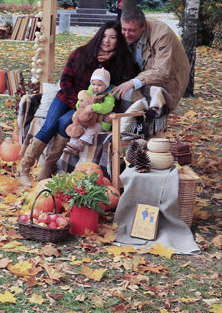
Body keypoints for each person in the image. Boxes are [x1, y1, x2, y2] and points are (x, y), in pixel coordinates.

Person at [19, 20, 135, 188]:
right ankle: (23, 169)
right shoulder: (81, 53)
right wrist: (77, 102)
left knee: (65, 122)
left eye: (112, 37)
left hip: (88, 107)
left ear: (119, 40)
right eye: (104, 36)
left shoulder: (118, 63)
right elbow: (65, 80)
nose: (107, 41)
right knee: (49, 125)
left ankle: (49, 166)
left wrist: (112, 111)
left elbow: (113, 92)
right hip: (67, 97)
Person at [111, 8, 190, 112]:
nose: (126, 34)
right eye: (124, 29)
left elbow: (162, 71)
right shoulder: (126, 31)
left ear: (143, 26)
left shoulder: (162, 35)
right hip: (145, 77)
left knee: (153, 113)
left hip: (170, 79)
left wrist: (132, 83)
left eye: (132, 30)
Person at [65, 67, 117, 150]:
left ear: (106, 86)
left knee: (93, 127)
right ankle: (72, 144)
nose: (96, 87)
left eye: (99, 85)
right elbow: (80, 100)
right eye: (93, 84)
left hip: (100, 121)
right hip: (86, 118)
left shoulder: (109, 95)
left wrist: (93, 107)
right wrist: (81, 104)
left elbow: (107, 107)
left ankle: (81, 143)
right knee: (77, 125)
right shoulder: (89, 91)